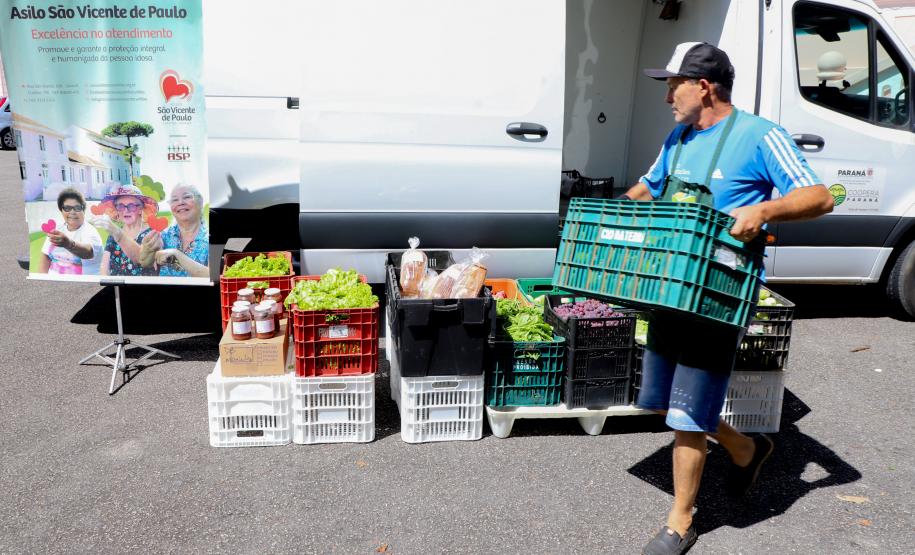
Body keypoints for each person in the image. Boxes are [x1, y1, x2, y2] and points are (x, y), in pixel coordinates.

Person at [620, 42, 834, 555]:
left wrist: (764, 210)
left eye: (674, 84)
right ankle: (744, 446)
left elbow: (820, 196)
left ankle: (681, 520)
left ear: (705, 86)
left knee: (688, 415)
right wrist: (609, 216)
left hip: (717, 295)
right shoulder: (679, 137)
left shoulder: (761, 137)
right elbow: (649, 188)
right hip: (671, 287)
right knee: (659, 403)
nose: (668, 95)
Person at [139, 183, 209, 278]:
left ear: (200, 202)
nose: (180, 202)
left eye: (187, 197)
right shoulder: (164, 235)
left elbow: (212, 275)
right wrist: (147, 250)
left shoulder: (209, 238)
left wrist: (177, 254)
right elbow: (145, 263)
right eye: (175, 200)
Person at [90, 185, 158, 276]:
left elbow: (142, 259)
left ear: (140, 209)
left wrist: (116, 232)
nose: (126, 210)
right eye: (121, 206)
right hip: (116, 288)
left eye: (131, 206)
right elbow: (104, 267)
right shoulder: (113, 235)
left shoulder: (152, 234)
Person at [38, 188, 103, 275]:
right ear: (61, 210)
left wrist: (68, 244)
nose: (72, 212)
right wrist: (43, 280)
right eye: (67, 208)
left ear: (83, 210)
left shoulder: (90, 231)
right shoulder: (57, 229)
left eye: (77, 208)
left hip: (82, 286)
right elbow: (45, 256)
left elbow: (89, 252)